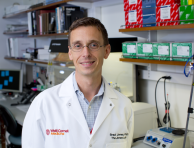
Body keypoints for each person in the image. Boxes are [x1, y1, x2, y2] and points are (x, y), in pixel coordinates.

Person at [22, 17, 134, 148]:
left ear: (107, 51)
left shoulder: (124, 106)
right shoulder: (43, 103)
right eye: (78, 46)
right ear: (70, 53)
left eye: (93, 45)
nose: (86, 53)